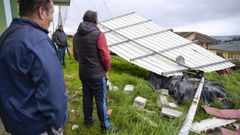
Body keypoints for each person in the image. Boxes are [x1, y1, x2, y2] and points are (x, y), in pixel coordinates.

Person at [0, 0, 68, 135]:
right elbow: (53, 92)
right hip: (36, 126)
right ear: (41, 12)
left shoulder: (6, 36)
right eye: (52, 12)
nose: (52, 18)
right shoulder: (39, 41)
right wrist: (59, 122)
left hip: (13, 122)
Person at [73, 10, 118, 132]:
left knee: (87, 98)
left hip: (84, 73)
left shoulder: (76, 36)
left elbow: (76, 55)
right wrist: (107, 68)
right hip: (97, 75)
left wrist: (84, 62)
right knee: (100, 100)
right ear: (95, 20)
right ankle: (105, 126)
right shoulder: (99, 34)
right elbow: (105, 56)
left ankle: (88, 121)